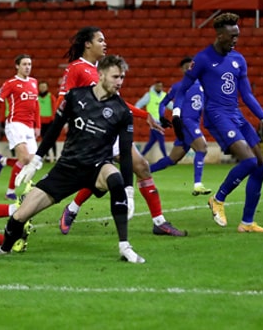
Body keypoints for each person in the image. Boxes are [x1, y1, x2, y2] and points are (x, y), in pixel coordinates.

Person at [0, 55, 145, 263]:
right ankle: (4, 248)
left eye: (122, 77)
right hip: (67, 168)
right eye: (115, 76)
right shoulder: (75, 97)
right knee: (20, 214)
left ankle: (124, 246)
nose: (120, 82)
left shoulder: (122, 111)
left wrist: (128, 190)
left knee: (114, 177)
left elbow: (125, 153)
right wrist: (36, 161)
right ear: (100, 75)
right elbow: (54, 130)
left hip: (97, 167)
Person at [56, 26, 185, 237]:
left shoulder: (102, 70)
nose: (104, 44)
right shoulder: (76, 68)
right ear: (87, 44)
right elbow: (62, 100)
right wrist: (72, 120)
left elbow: (118, 103)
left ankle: (159, 222)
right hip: (92, 132)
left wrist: (145, 116)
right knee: (104, 177)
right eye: (100, 40)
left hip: (111, 128)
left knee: (141, 167)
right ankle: (71, 209)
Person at [173, 12, 263, 233]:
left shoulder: (238, 59)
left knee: (260, 167)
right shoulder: (202, 59)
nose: (235, 40)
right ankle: (217, 200)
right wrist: (177, 113)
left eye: (237, 36)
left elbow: (247, 95)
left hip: (236, 114)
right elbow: (182, 88)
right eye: (232, 36)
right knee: (248, 161)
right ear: (219, 36)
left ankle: (247, 223)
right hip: (216, 115)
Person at [150, 56, 212, 196]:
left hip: (194, 123)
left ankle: (144, 170)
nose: (189, 69)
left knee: (172, 159)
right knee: (202, 148)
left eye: (190, 66)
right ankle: (197, 184)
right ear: (182, 70)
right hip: (185, 122)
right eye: (185, 67)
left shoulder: (203, 85)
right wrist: (161, 116)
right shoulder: (179, 86)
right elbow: (163, 102)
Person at [0, 54, 40, 201]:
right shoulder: (10, 83)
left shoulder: (34, 82)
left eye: (29, 64)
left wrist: (38, 125)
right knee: (24, 158)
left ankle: (3, 161)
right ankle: (10, 191)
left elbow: (36, 105)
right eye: (24, 64)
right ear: (17, 66)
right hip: (15, 123)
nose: (27, 67)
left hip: (29, 126)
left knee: (33, 161)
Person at [135, 80, 168, 158]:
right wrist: (139, 114)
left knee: (151, 142)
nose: (159, 87)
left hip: (160, 122)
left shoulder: (164, 95)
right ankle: (166, 158)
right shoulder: (149, 95)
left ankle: (141, 156)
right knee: (161, 140)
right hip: (153, 122)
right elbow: (138, 104)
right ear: (154, 86)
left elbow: (170, 105)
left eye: (160, 86)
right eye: (157, 86)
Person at [37, 80, 57, 162]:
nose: (42, 88)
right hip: (40, 121)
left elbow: (55, 108)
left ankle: (55, 155)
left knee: (51, 139)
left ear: (47, 88)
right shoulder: (36, 97)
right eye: (41, 87)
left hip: (50, 121)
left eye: (44, 87)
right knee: (44, 139)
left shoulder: (51, 97)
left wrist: (54, 119)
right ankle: (47, 156)